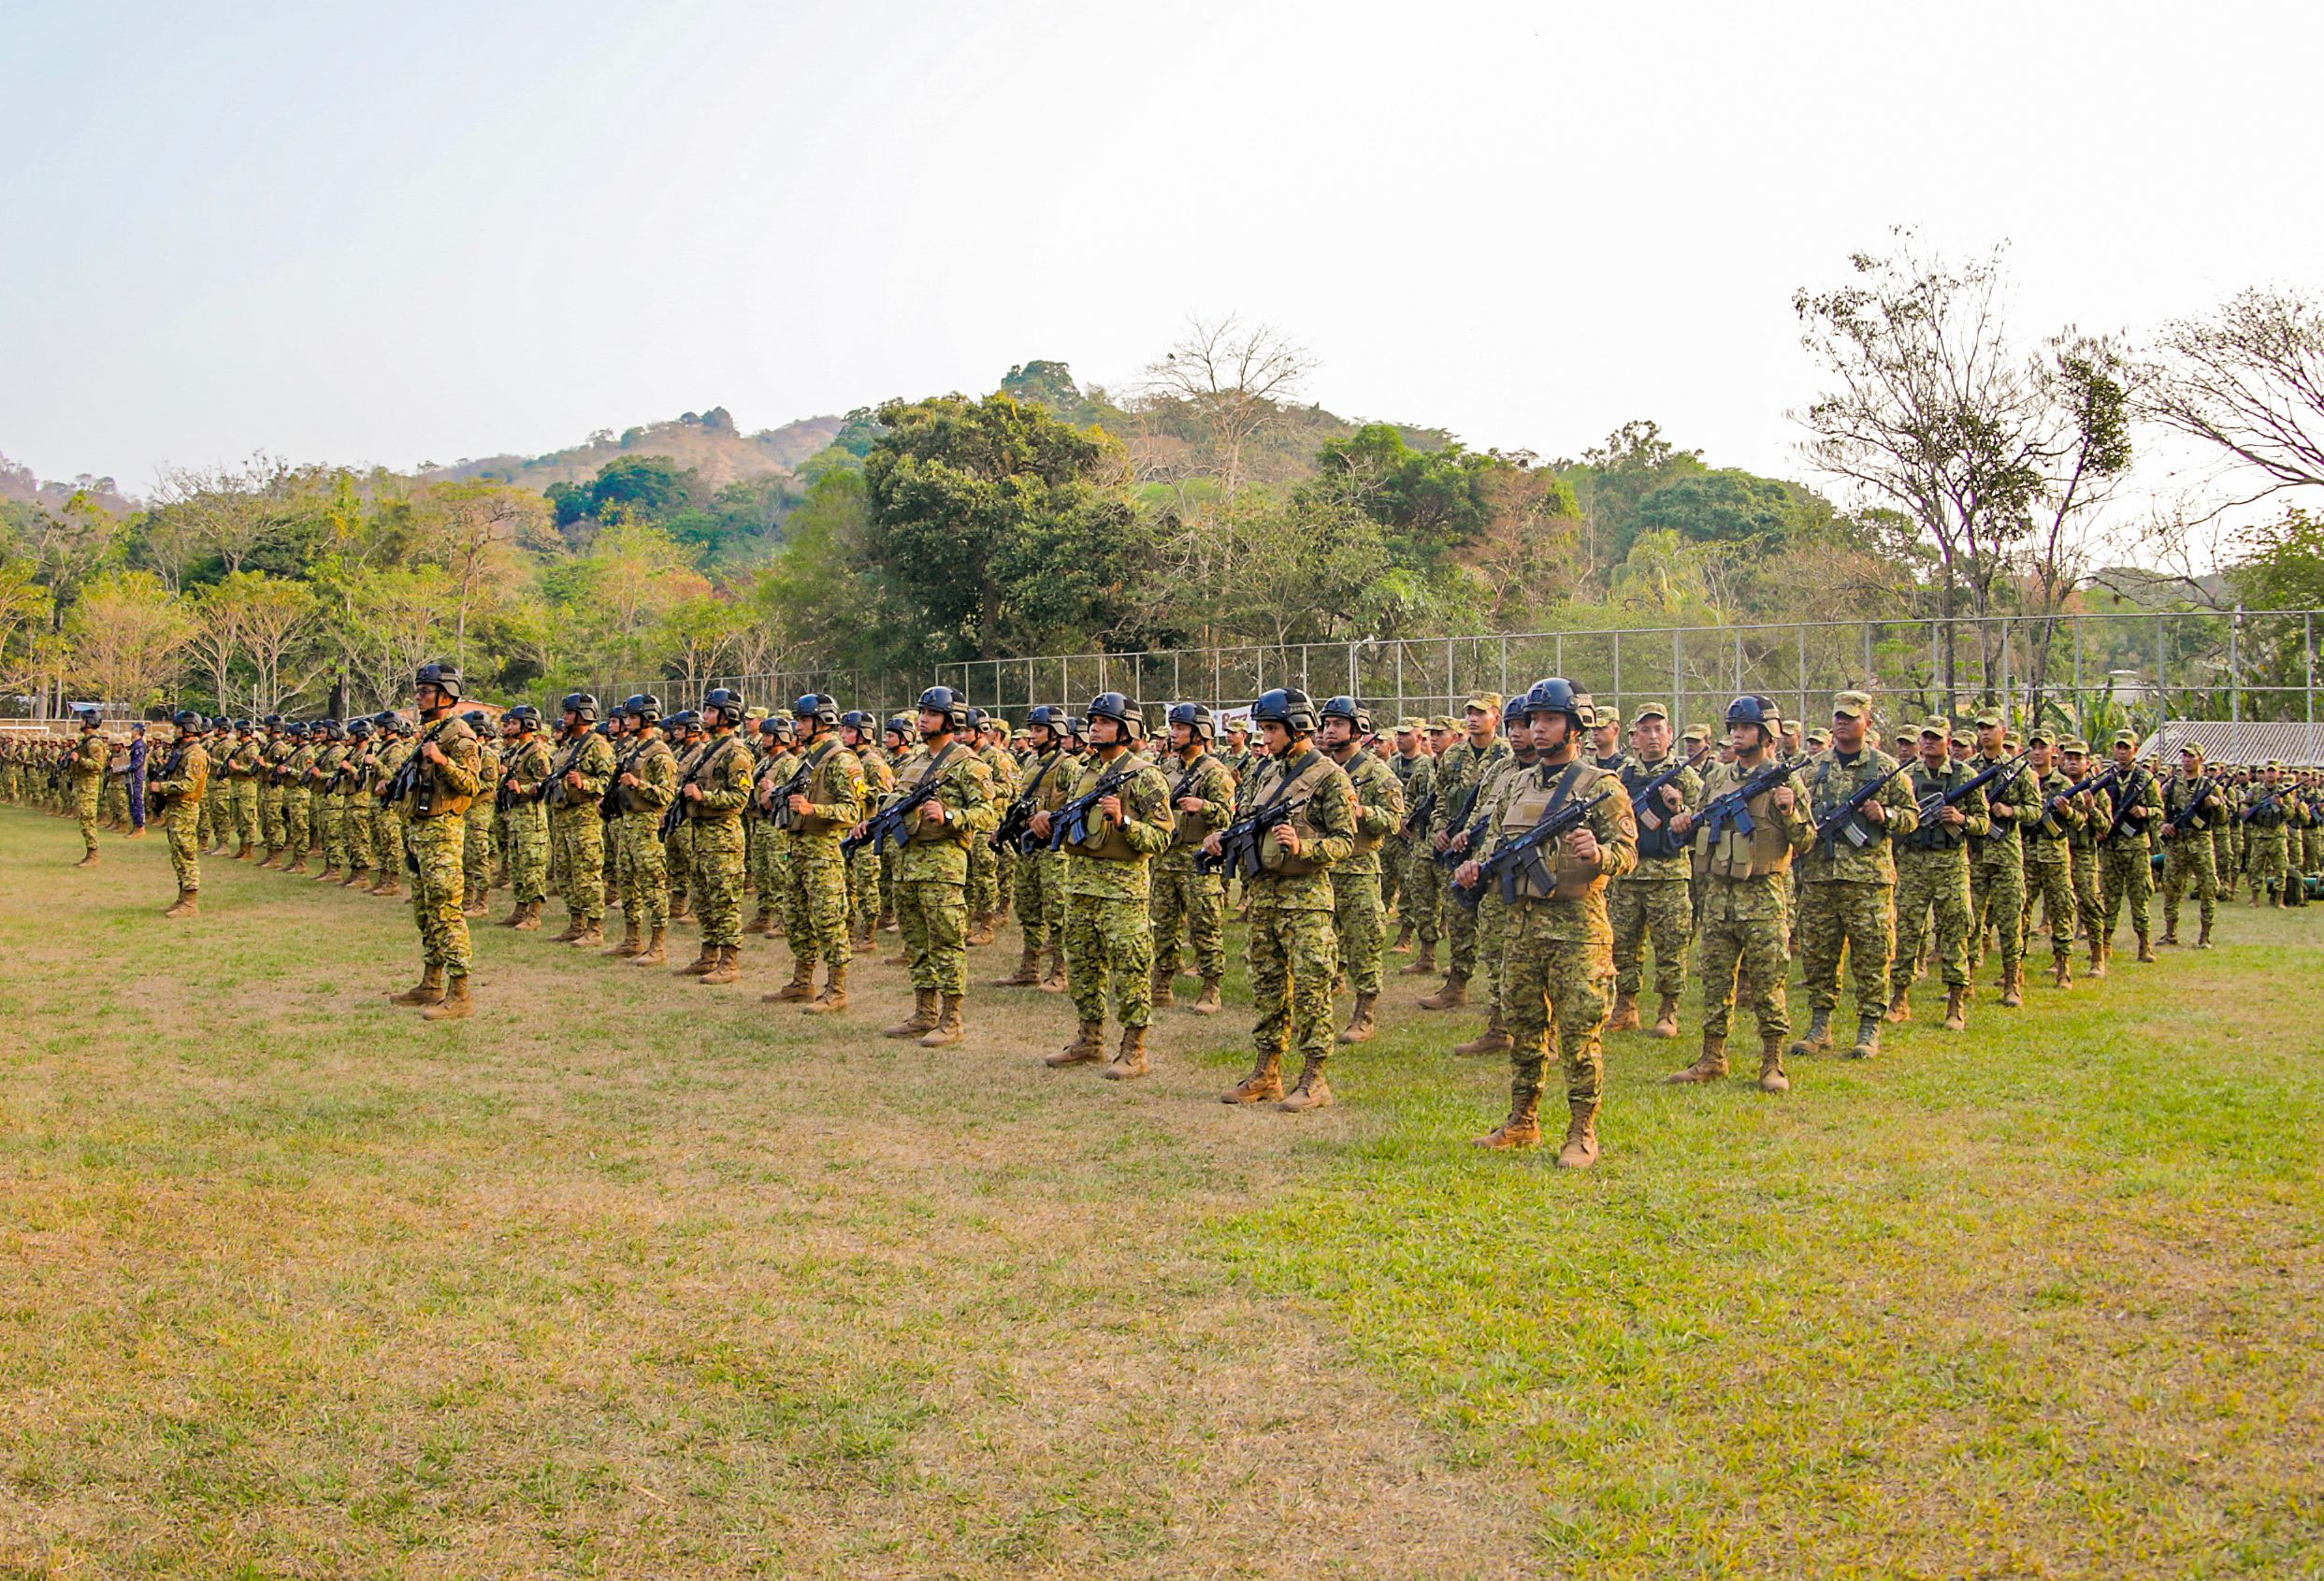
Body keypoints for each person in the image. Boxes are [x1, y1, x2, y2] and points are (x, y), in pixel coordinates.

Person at [1461, 678, 1638, 1164]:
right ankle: (1523, 1122)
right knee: (1525, 1028)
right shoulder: (1516, 782)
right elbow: (1494, 841)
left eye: (1550, 720)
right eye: (1533, 720)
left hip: (1578, 929)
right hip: (1522, 927)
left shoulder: (1601, 787)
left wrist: (1600, 853)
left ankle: (1582, 1132)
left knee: (1581, 1035)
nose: (1538, 729)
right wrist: (1475, 865)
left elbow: (1628, 854)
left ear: (1575, 727)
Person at [1207, 687, 1358, 1112]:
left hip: (1307, 902)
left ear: (1297, 728)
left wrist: (1305, 847)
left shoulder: (1330, 777)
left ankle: (1314, 1078)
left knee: (1312, 989)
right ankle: (1266, 1072)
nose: (1265, 737)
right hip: (1265, 898)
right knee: (1268, 987)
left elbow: (1346, 841)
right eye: (1264, 729)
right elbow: (1244, 820)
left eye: (1272, 729)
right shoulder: (1262, 772)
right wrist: (1222, 837)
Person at [1665, 696, 1812, 1093]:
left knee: (1768, 984)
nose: (1736, 734)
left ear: (1767, 735)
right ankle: (1712, 1057)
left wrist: (1789, 811)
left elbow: (1808, 841)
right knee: (1715, 981)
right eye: (1733, 728)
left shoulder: (1786, 781)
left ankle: (1773, 1062)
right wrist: (1683, 822)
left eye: (1745, 728)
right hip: (1718, 896)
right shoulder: (1717, 778)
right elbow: (1699, 822)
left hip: (1763, 895)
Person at [1041, 691, 1174, 1078]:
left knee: (1130, 968)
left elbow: (1163, 838)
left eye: (1104, 722)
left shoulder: (1145, 776)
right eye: (1093, 722)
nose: (1095, 728)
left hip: (1123, 890)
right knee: (1083, 966)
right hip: (1080, 884)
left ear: (1126, 728)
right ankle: (1089, 1038)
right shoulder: (1085, 771)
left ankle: (1134, 1049)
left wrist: (1126, 822)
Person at [1791, 692, 1918, 1058]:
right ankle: (1820, 1025)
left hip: (1869, 881)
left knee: (1872, 955)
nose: (1842, 722)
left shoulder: (1885, 769)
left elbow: (1911, 819)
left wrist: (1886, 815)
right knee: (1818, 955)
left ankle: (1869, 1026)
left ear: (1868, 723)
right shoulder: (1813, 769)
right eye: (1838, 716)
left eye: (1851, 716)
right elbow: (1800, 816)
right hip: (1819, 879)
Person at [869, 686, 996, 1047]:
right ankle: (923, 1011)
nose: (923, 719)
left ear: (951, 720)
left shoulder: (970, 765)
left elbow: (988, 813)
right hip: (908, 863)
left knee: (946, 941)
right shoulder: (915, 762)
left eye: (932, 713)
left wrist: (950, 815)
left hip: (943, 866)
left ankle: (951, 1019)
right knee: (916, 941)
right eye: (922, 712)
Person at [387, 662, 484, 1021]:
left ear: (446, 695)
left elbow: (473, 785)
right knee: (426, 913)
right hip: (420, 833)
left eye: (425, 690)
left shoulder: (458, 734)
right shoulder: (431, 731)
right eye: (419, 690)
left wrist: (442, 760)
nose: (418, 696)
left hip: (442, 833)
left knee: (446, 912)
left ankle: (460, 993)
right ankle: (431, 983)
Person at [1609, 702, 1703, 1041]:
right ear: (1634, 736)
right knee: (1623, 944)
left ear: (1669, 734)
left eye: (1658, 729)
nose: (1652, 736)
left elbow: (1703, 823)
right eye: (1645, 730)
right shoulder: (1623, 776)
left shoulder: (1686, 776)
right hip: (1629, 875)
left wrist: (1681, 806)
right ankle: (1626, 1005)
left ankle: (1668, 1009)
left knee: (1671, 945)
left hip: (1669, 875)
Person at [764, 693, 864, 1010]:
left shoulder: (842, 760)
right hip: (798, 849)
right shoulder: (808, 759)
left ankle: (837, 988)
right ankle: (801, 981)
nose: (798, 726)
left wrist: (813, 809)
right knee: (795, 918)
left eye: (804, 720)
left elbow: (853, 812)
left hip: (824, 852)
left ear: (823, 722)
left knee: (828, 919)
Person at [1889, 718, 1987, 1030]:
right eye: (1925, 737)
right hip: (1914, 862)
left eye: (1936, 738)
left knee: (1956, 929)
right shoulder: (1906, 776)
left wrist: (1962, 819)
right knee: (1906, 931)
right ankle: (1899, 998)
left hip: (1951, 863)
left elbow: (1984, 823)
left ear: (1948, 741)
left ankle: (1956, 1002)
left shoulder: (1966, 776)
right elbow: (1894, 817)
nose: (1929, 742)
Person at [1319, 696, 1403, 1044]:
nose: (1329, 731)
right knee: (1322, 941)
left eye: (1337, 724)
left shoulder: (1377, 772)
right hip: (1323, 866)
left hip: (1359, 870)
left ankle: (1364, 1012)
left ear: (1357, 730)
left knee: (1363, 942)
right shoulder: (1321, 770)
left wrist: (1363, 813)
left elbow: (1395, 821)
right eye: (1327, 724)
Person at [1419, 694, 1510, 1012]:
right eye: (1469, 713)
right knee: (1458, 917)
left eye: (1480, 713)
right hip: (1456, 849)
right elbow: (1440, 795)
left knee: (1495, 921)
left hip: (1490, 849)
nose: (1473, 718)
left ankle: (1501, 993)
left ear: (1495, 717)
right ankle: (1457, 984)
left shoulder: (1506, 755)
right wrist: (1441, 828)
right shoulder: (1454, 754)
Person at [1148, 701, 1237, 1013]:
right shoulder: (1168, 767)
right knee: (1163, 924)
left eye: (1181, 728)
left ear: (1199, 733)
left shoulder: (1215, 772)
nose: (1174, 734)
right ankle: (1161, 983)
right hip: (1166, 857)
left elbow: (1228, 817)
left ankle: (1211, 987)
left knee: (1205, 924)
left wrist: (1204, 807)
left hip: (1198, 858)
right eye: (1173, 727)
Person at [676, 688, 758, 985]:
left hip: (723, 838)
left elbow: (740, 798)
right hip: (701, 835)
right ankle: (708, 955)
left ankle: (729, 961)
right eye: (707, 711)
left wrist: (704, 796)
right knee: (704, 898)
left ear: (728, 716)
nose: (706, 716)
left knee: (725, 901)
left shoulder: (736, 753)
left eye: (711, 712)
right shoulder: (707, 751)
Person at [995, 704, 1076, 991]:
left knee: (1056, 911)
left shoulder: (1067, 766)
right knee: (1027, 907)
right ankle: (1029, 968)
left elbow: (1076, 804)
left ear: (1056, 733)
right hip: (1028, 847)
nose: (1033, 735)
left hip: (1053, 849)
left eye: (1039, 729)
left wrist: (1052, 818)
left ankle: (1060, 970)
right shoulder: (1031, 762)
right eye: (1032, 729)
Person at [608, 696, 678, 961]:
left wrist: (639, 785)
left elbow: (667, 795)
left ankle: (658, 945)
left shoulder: (660, 754)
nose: (627, 722)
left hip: (648, 824)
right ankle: (632, 938)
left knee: (652, 885)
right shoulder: (633, 750)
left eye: (633, 717)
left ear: (647, 719)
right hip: (628, 824)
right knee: (627, 882)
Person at [543, 693, 616, 946]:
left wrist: (584, 783)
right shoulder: (567, 745)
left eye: (569, 712)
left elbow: (608, 782)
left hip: (584, 818)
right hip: (563, 817)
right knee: (565, 873)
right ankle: (576, 923)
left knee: (587, 874)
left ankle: (595, 928)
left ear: (583, 714)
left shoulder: (597, 744)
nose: (564, 717)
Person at [2018, 731, 2088, 990]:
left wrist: (2066, 811)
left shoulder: (2064, 783)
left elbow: (2082, 820)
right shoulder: (2022, 779)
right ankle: (2016, 968)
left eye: (2042, 747)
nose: (2037, 752)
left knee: (2061, 910)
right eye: (2033, 747)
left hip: (2055, 858)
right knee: (2020, 911)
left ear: (2053, 751)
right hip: (2026, 855)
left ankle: (2063, 968)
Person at [2159, 742, 2229, 948]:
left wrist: (2216, 805)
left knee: (2208, 888)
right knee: (2171, 888)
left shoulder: (2210, 786)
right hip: (2177, 844)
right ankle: (2170, 933)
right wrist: (2162, 825)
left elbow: (2224, 818)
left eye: (2191, 756)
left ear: (2201, 759)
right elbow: (2157, 811)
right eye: (2184, 756)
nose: (2187, 759)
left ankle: (2205, 935)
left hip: (2201, 843)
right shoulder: (2170, 785)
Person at [147, 711, 210, 917]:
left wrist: (162, 787)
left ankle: (191, 901)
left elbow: (189, 784)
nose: (174, 731)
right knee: (178, 854)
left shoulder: (195, 754)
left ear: (187, 729)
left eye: (177, 727)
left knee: (186, 853)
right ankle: (183, 896)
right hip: (176, 808)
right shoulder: (182, 751)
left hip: (185, 807)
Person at [1383, 717, 1432, 950]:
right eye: (1398, 734)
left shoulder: (1426, 765)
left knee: (1410, 886)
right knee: (1383, 883)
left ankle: (1405, 935)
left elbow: (1423, 797)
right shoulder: (1391, 764)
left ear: (1419, 737)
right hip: (1390, 834)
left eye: (1405, 734)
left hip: (1411, 836)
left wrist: (1409, 821)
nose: (1399, 738)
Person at [66, 708, 108, 865]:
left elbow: (98, 765)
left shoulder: (94, 742)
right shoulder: (86, 741)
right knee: (84, 820)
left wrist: (79, 760)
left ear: (88, 722)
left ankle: (93, 854)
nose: (80, 722)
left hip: (89, 785)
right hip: (83, 784)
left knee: (88, 819)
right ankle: (90, 852)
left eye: (82, 720)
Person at [125, 722, 148, 839]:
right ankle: (135, 826)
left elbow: (138, 761)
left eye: (133, 729)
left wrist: (127, 768)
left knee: (137, 801)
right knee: (133, 801)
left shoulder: (139, 745)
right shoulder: (135, 744)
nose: (131, 732)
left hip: (136, 777)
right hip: (133, 777)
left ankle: (140, 827)